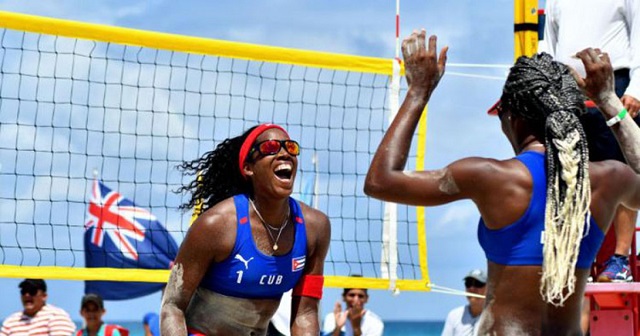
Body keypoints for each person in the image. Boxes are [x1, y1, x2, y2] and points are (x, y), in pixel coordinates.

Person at [364, 29, 640, 334]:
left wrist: (419, 91)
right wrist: (609, 101)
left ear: (514, 118)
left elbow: (380, 182)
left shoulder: (491, 177)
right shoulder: (610, 178)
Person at [160, 124, 331, 336]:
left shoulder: (315, 227)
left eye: (290, 148)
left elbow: (305, 314)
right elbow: (172, 307)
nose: (284, 153)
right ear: (249, 168)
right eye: (270, 147)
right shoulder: (216, 225)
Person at [543, 0, 640, 282]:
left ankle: (620, 259)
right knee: (570, 172)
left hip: (615, 84)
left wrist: (636, 88)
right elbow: (548, 43)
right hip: (566, 87)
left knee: (623, 170)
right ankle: (576, 257)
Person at [0, 279, 76, 336]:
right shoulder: (11, 321)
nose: (27, 295)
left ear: (44, 296)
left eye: (32, 291)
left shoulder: (56, 315)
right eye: (24, 291)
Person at [441, 269, 487, 336]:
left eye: (478, 284)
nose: (472, 288)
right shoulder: (454, 315)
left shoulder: (495, 317)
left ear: (489, 287)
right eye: (468, 284)